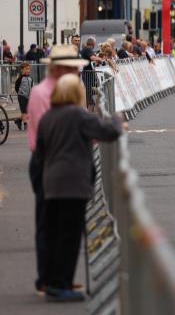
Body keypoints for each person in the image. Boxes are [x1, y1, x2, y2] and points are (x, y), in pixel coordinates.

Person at [34, 74, 123, 302]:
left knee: (56, 233)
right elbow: (108, 132)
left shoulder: (48, 118)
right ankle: (61, 284)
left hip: (52, 180)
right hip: (73, 181)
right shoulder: (78, 115)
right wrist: (116, 119)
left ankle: (54, 280)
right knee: (70, 235)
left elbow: (41, 152)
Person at [26, 45, 88, 296]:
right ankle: (48, 279)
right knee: (49, 222)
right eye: (72, 67)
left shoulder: (64, 90)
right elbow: (48, 134)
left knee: (63, 224)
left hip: (56, 159)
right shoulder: (43, 93)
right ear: (61, 68)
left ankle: (58, 277)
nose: (76, 70)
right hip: (48, 160)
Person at [14, 61, 33, 130]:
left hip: (28, 96)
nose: (28, 70)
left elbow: (31, 87)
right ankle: (26, 124)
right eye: (26, 69)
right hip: (21, 96)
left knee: (27, 111)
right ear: (22, 70)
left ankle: (18, 120)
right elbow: (16, 87)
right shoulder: (20, 78)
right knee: (24, 111)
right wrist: (20, 93)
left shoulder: (30, 78)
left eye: (29, 69)